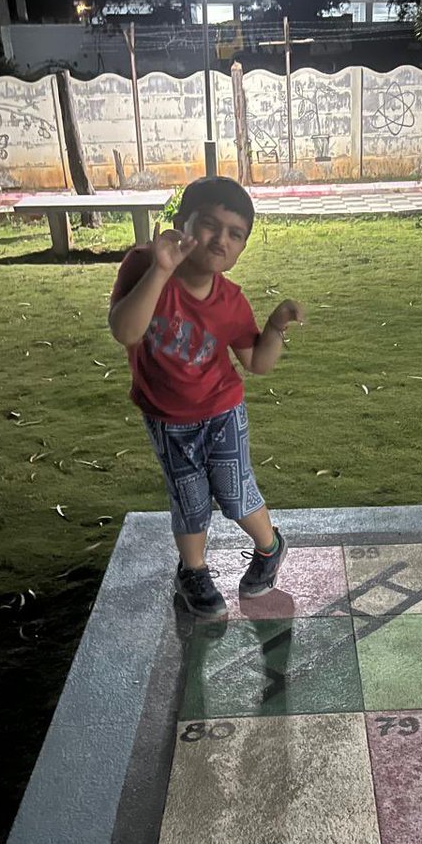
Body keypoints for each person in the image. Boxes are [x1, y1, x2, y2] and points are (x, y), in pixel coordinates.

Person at [108, 176, 303, 618]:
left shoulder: (230, 301)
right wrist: (160, 269)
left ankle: (270, 548)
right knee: (189, 497)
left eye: (235, 234)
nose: (221, 240)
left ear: (242, 248)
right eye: (210, 225)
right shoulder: (143, 265)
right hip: (166, 416)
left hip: (222, 411)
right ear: (182, 223)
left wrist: (274, 327)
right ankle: (193, 570)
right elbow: (125, 331)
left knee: (235, 493)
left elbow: (256, 362)